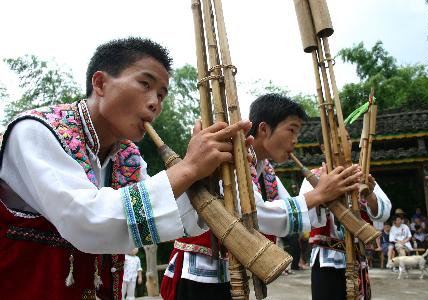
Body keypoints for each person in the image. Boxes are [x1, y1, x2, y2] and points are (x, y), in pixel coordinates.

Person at [0, 37, 253, 299]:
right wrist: (189, 168)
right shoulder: (35, 131)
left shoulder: (128, 157)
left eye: (161, 95)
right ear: (100, 83)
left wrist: (214, 175)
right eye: (145, 84)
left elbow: (170, 216)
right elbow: (87, 221)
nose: (155, 103)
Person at [160, 93, 362, 300]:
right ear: (264, 129)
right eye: (291, 130)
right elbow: (256, 215)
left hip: (231, 274)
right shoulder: (233, 155)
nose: (295, 139)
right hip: (199, 274)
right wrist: (319, 194)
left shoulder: (266, 170)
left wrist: (327, 196)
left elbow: (290, 212)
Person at [304, 127, 392, 300]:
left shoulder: (361, 173)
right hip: (327, 259)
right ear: (323, 147)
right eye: (338, 139)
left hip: (358, 258)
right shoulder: (315, 177)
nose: (346, 142)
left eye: (348, 137)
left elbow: (384, 212)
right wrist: (324, 195)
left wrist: (369, 194)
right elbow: (307, 217)